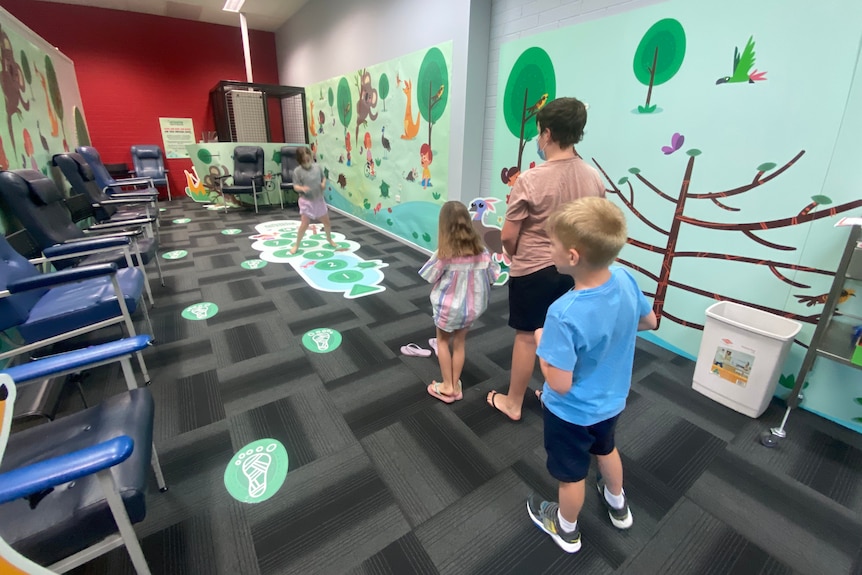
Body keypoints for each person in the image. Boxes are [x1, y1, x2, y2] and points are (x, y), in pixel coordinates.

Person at [525, 197, 657, 553]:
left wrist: (541, 345)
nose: (547, 248)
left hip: (571, 414)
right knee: (607, 449)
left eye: (551, 243)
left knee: (571, 477)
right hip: (612, 402)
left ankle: (565, 528)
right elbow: (649, 321)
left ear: (572, 257)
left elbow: (559, 383)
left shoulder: (562, 313)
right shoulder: (627, 278)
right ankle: (617, 504)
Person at [487, 97, 605, 421]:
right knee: (567, 336)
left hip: (534, 269)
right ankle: (557, 397)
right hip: (576, 271)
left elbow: (509, 235)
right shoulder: (593, 178)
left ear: (548, 133)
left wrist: (512, 254)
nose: (539, 139)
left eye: (539, 132)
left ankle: (513, 403)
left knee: (527, 336)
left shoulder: (531, 179)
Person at [419, 201, 500, 403]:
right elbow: (493, 276)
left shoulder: (444, 254)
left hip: (447, 309)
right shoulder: (482, 253)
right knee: (460, 344)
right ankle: (456, 384)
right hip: (470, 310)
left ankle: (448, 387)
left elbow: (429, 275)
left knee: (443, 342)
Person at [290, 146, 337, 254]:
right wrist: (302, 188)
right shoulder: (297, 171)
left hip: (318, 199)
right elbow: (295, 186)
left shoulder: (317, 167)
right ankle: (297, 244)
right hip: (306, 201)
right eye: (304, 161)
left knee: (326, 222)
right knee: (305, 223)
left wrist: (323, 183)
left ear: (311, 157)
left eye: (308, 159)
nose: (307, 162)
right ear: (300, 161)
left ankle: (329, 239)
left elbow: (323, 177)